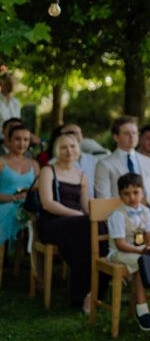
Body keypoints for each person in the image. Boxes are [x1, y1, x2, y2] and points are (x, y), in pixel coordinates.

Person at [37, 132, 103, 312]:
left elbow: (86, 207)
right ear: (57, 150)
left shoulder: (82, 175)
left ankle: (90, 293)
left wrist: (96, 218)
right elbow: (47, 203)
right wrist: (77, 214)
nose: (69, 151)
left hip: (76, 223)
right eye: (64, 147)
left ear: (78, 149)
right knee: (83, 228)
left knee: (101, 229)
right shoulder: (48, 171)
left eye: (72, 146)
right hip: (52, 221)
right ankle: (85, 293)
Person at [106, 172, 150, 331]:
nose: (131, 197)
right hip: (120, 253)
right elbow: (120, 244)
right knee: (143, 263)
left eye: (135, 192)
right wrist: (142, 252)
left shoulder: (145, 211)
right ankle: (142, 309)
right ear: (120, 195)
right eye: (126, 193)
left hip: (139, 250)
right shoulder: (118, 215)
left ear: (142, 193)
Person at [94, 117, 150, 204]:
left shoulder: (148, 162)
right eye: (127, 133)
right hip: (120, 214)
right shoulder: (104, 164)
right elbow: (104, 199)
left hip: (149, 214)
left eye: (134, 133)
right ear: (116, 137)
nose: (132, 136)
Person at [0, 124, 39, 249]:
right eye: (17, 139)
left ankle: (36, 265)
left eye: (26, 140)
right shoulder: (1, 162)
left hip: (29, 208)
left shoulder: (34, 164)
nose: (22, 143)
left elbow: (39, 189)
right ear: (8, 140)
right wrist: (14, 198)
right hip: (4, 205)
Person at [47, 124, 99, 198]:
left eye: (77, 133)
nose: (74, 136)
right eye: (70, 133)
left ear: (82, 135)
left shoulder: (94, 160)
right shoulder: (52, 164)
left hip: (94, 204)